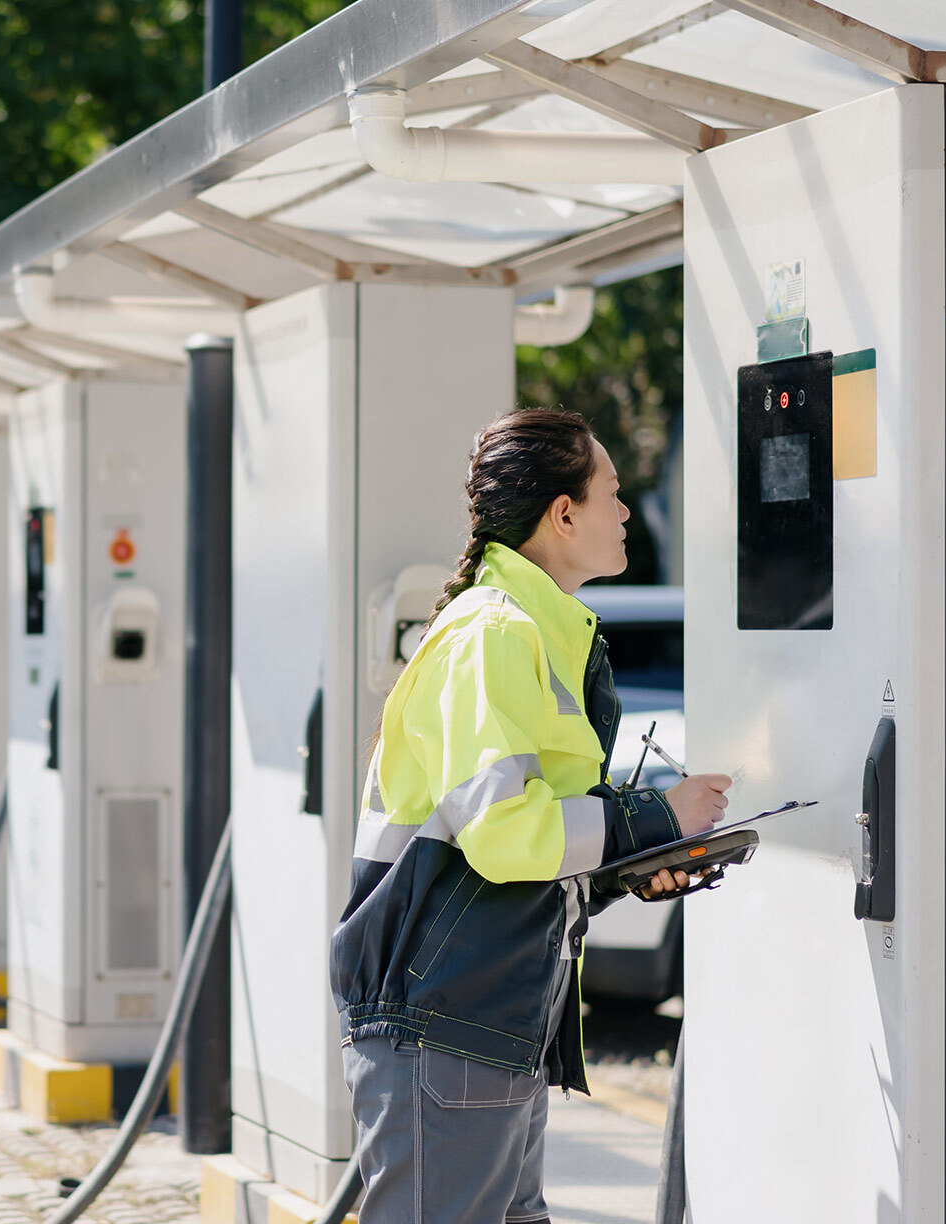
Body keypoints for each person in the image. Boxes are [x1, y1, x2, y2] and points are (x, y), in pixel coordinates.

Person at [330, 407, 729, 1224]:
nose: (626, 511)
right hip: (446, 1029)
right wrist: (652, 819)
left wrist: (625, 870)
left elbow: (523, 846)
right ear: (564, 512)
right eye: (612, 492)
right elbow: (508, 832)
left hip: (488, 1026)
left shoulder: (534, 635)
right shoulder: (494, 634)